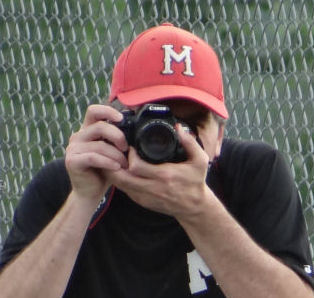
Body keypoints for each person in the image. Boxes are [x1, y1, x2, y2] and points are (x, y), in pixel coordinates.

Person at [0, 23, 313, 298]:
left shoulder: (251, 175)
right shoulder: (72, 184)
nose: (170, 139)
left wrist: (198, 208)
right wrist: (82, 201)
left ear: (219, 137)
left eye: (189, 126)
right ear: (116, 121)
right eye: (151, 122)